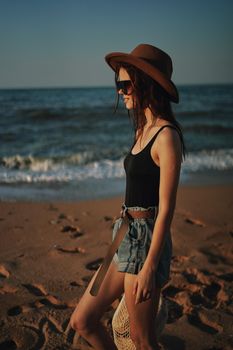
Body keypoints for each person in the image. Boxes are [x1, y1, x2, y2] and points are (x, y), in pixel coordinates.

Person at [70, 43, 186, 350]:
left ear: (145, 84)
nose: (120, 91)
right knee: (82, 321)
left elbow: (166, 211)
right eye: (118, 85)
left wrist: (150, 267)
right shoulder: (142, 130)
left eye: (125, 84)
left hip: (146, 241)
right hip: (123, 234)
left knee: (141, 340)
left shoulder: (167, 136)